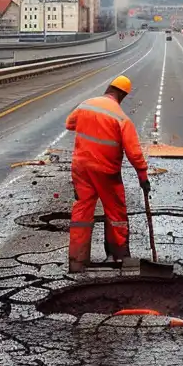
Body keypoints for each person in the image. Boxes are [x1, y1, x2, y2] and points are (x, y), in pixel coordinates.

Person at [65, 75, 150, 273]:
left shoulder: (86, 105)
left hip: (81, 169)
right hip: (106, 172)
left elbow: (70, 124)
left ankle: (77, 260)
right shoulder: (121, 118)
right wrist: (143, 176)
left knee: (81, 213)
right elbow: (134, 153)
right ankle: (119, 256)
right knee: (116, 213)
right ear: (122, 95)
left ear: (108, 88)